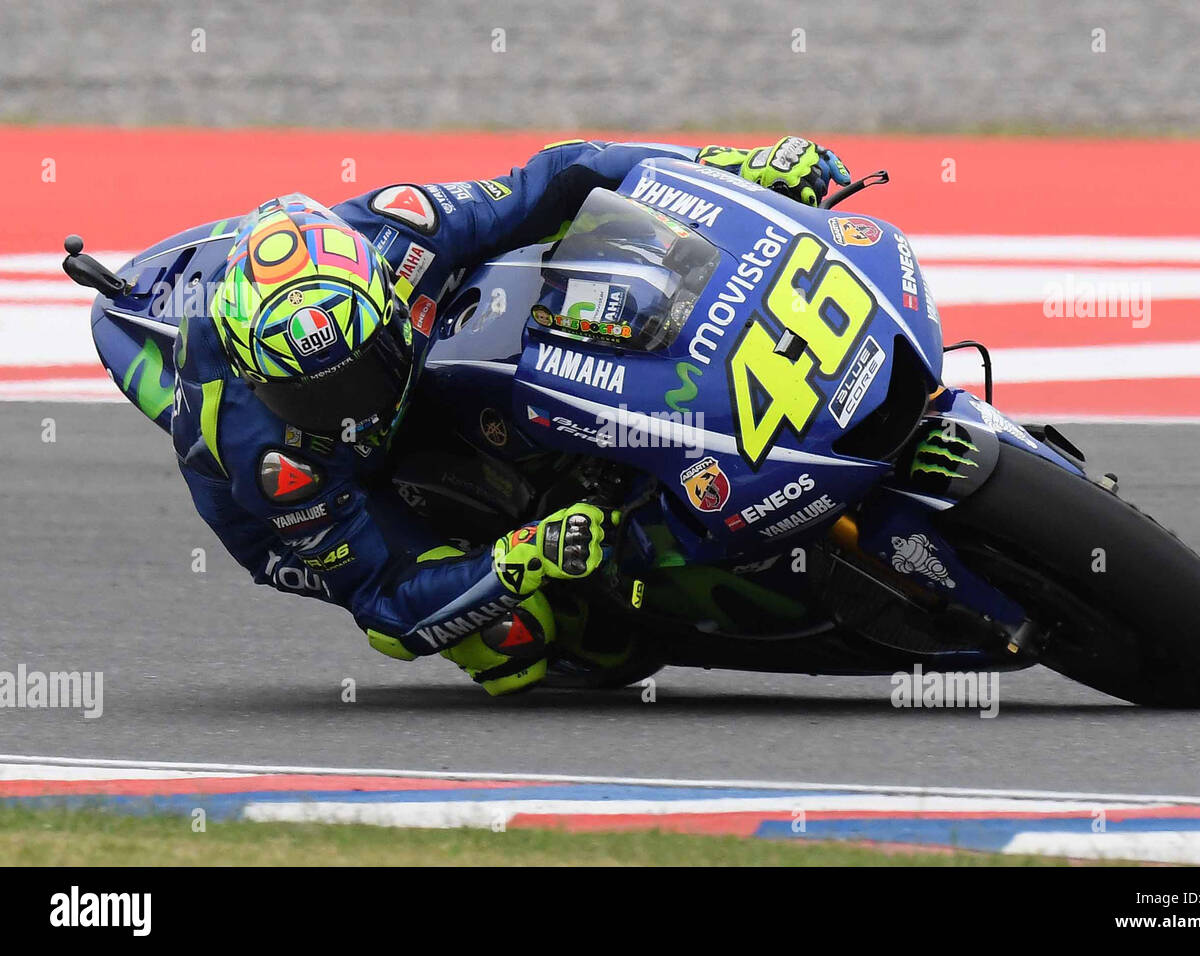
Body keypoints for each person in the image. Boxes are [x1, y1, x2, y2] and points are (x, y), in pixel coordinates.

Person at [170, 136, 851, 695]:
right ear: (262, 382)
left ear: (386, 301)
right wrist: (525, 556)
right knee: (514, 649)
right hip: (318, 511)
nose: (346, 409)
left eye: (357, 373)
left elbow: (561, 178)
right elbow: (385, 605)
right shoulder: (271, 461)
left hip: (442, 357)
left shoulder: (405, 233)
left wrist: (727, 164)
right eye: (312, 396)